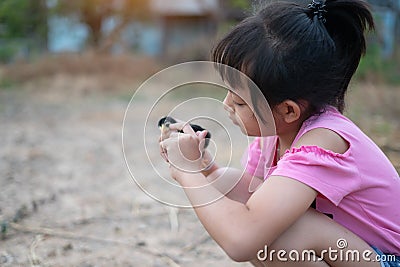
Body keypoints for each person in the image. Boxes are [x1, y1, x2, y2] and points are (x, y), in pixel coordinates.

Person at [159, 0, 400, 266]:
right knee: (258, 217)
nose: (226, 104)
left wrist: (186, 172)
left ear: (288, 111)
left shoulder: (325, 141)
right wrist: (203, 166)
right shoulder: (275, 135)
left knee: (281, 237)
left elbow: (241, 239)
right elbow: (252, 192)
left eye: (240, 101)